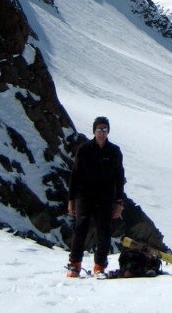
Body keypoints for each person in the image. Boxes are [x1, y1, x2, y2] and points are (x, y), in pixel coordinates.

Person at [66, 116, 126, 277]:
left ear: (108, 132)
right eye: (99, 129)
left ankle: (99, 266)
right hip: (84, 196)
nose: (102, 133)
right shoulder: (84, 150)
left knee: (104, 232)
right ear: (94, 131)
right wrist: (71, 200)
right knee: (80, 228)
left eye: (104, 130)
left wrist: (119, 202)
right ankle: (74, 265)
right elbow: (75, 175)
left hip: (105, 197)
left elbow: (119, 177)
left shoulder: (114, 151)